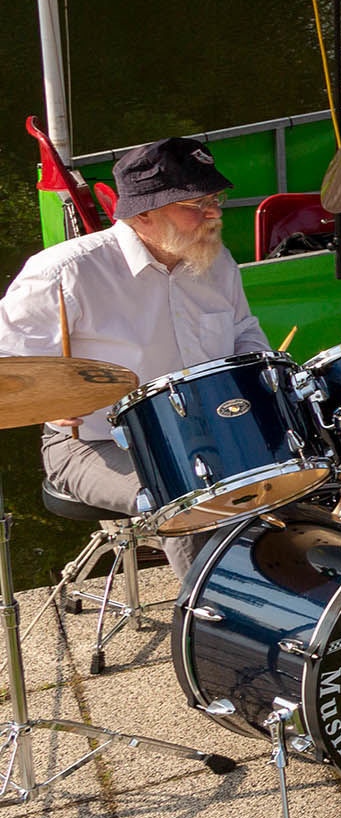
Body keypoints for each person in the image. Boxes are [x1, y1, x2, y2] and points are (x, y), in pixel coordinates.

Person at [0, 137, 269, 573]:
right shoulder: (65, 271)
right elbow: (9, 372)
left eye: (215, 199)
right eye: (195, 204)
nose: (214, 213)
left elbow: (243, 332)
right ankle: (214, 623)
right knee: (187, 491)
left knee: (297, 466)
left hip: (209, 428)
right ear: (143, 213)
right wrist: (50, 401)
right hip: (92, 443)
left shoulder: (215, 262)